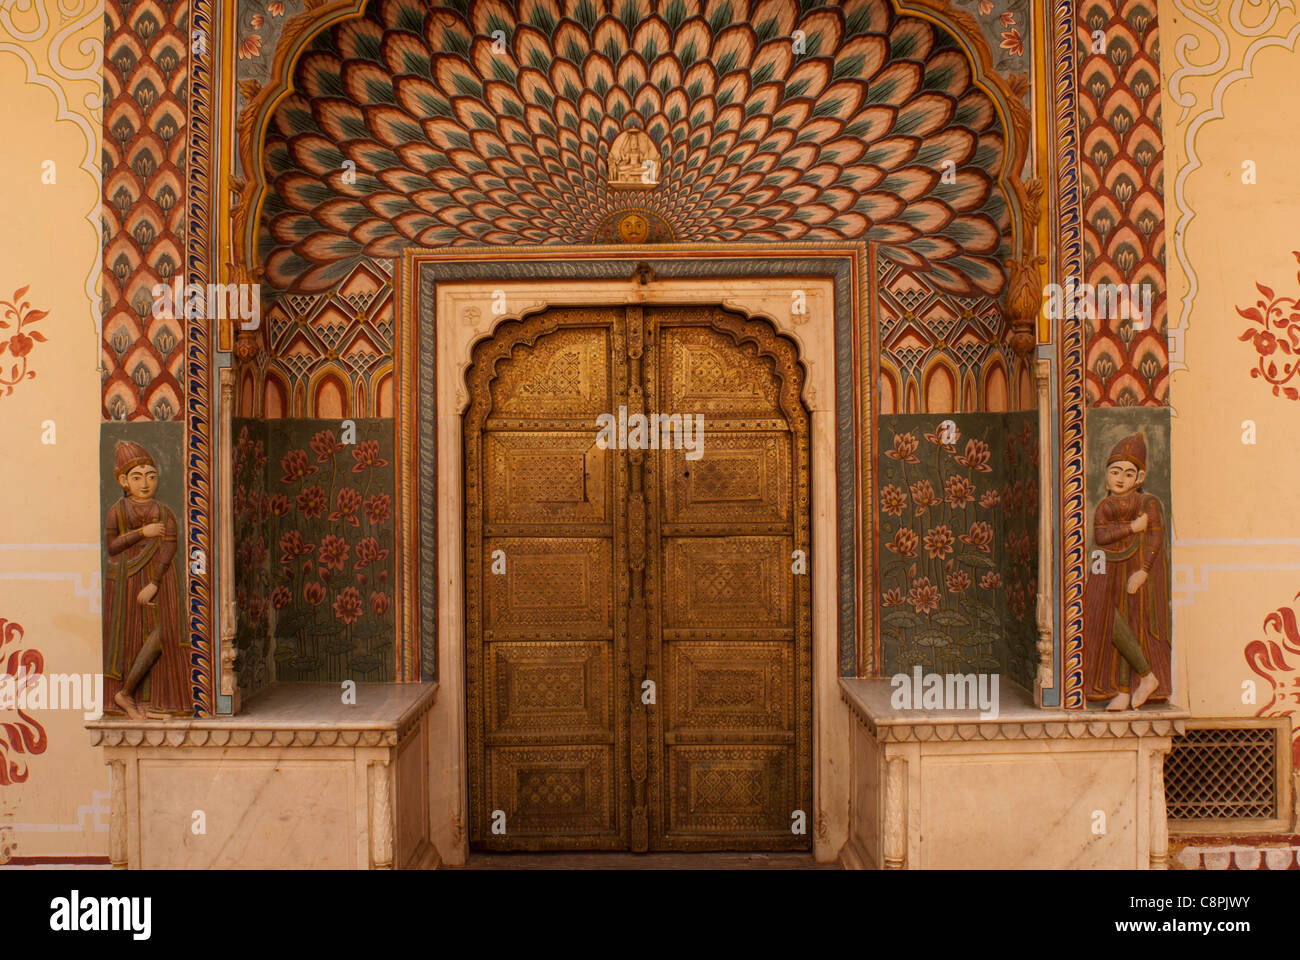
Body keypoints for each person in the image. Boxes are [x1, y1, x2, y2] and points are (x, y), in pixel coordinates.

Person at [1083, 433, 1171, 710]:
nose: (1121, 478)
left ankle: (1127, 689)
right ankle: (1142, 678)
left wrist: (1144, 571)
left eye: (1128, 473)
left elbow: (1156, 539)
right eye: (1115, 471)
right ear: (1107, 475)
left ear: (1140, 478)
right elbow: (1101, 537)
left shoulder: (1148, 504)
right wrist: (1132, 528)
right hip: (1108, 570)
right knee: (1109, 620)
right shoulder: (1104, 507)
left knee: (1133, 624)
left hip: (1136, 570)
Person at [103, 441, 190, 719]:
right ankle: (130, 697)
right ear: (124, 480)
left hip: (160, 581)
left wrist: (154, 583)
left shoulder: (165, 512)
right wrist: (143, 532)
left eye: (151, 476)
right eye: (137, 477)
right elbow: (113, 546)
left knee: (163, 634)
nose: (145, 483)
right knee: (129, 638)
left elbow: (169, 547)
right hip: (125, 581)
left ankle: (143, 697)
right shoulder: (118, 510)